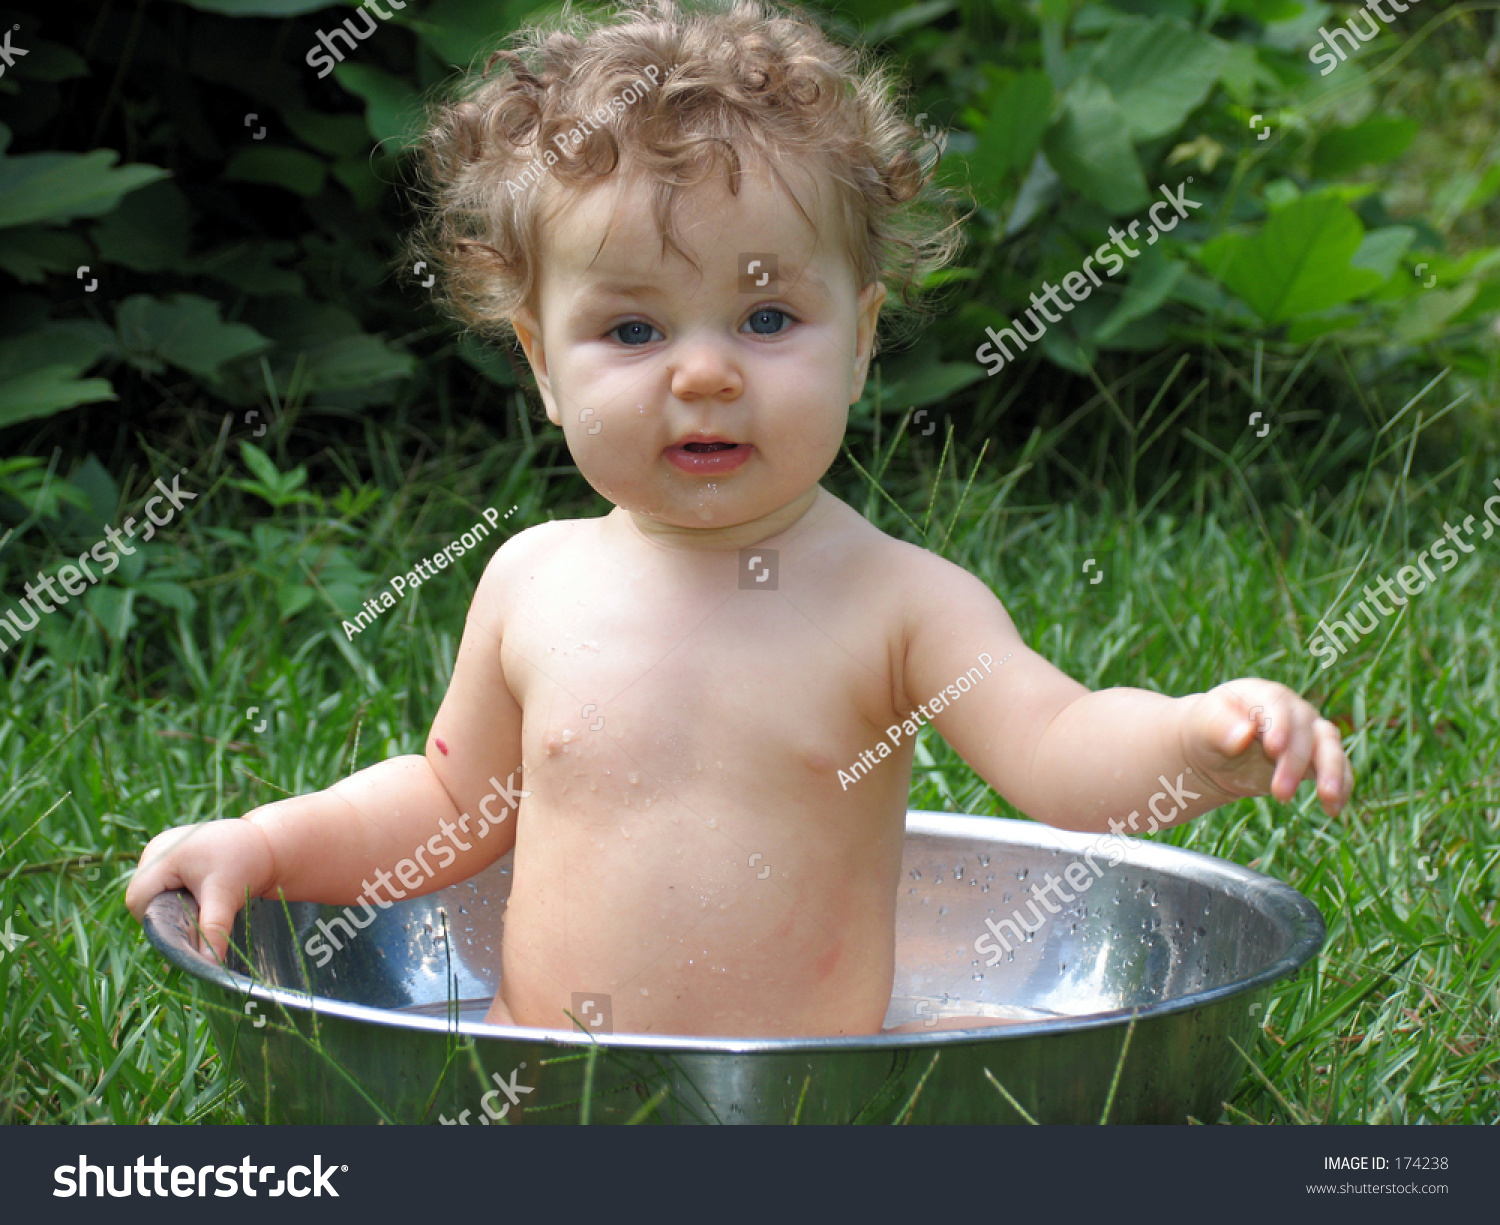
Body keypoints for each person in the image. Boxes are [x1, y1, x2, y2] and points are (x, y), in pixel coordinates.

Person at [127, 0, 1352, 1037]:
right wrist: (270, 845)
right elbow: (451, 810)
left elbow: (1064, 749)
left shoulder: (901, 605)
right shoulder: (531, 583)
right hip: (538, 1083)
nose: (704, 374)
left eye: (768, 321)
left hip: (810, 1105)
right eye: (633, 328)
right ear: (541, 363)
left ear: (863, 338)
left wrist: (1197, 744)